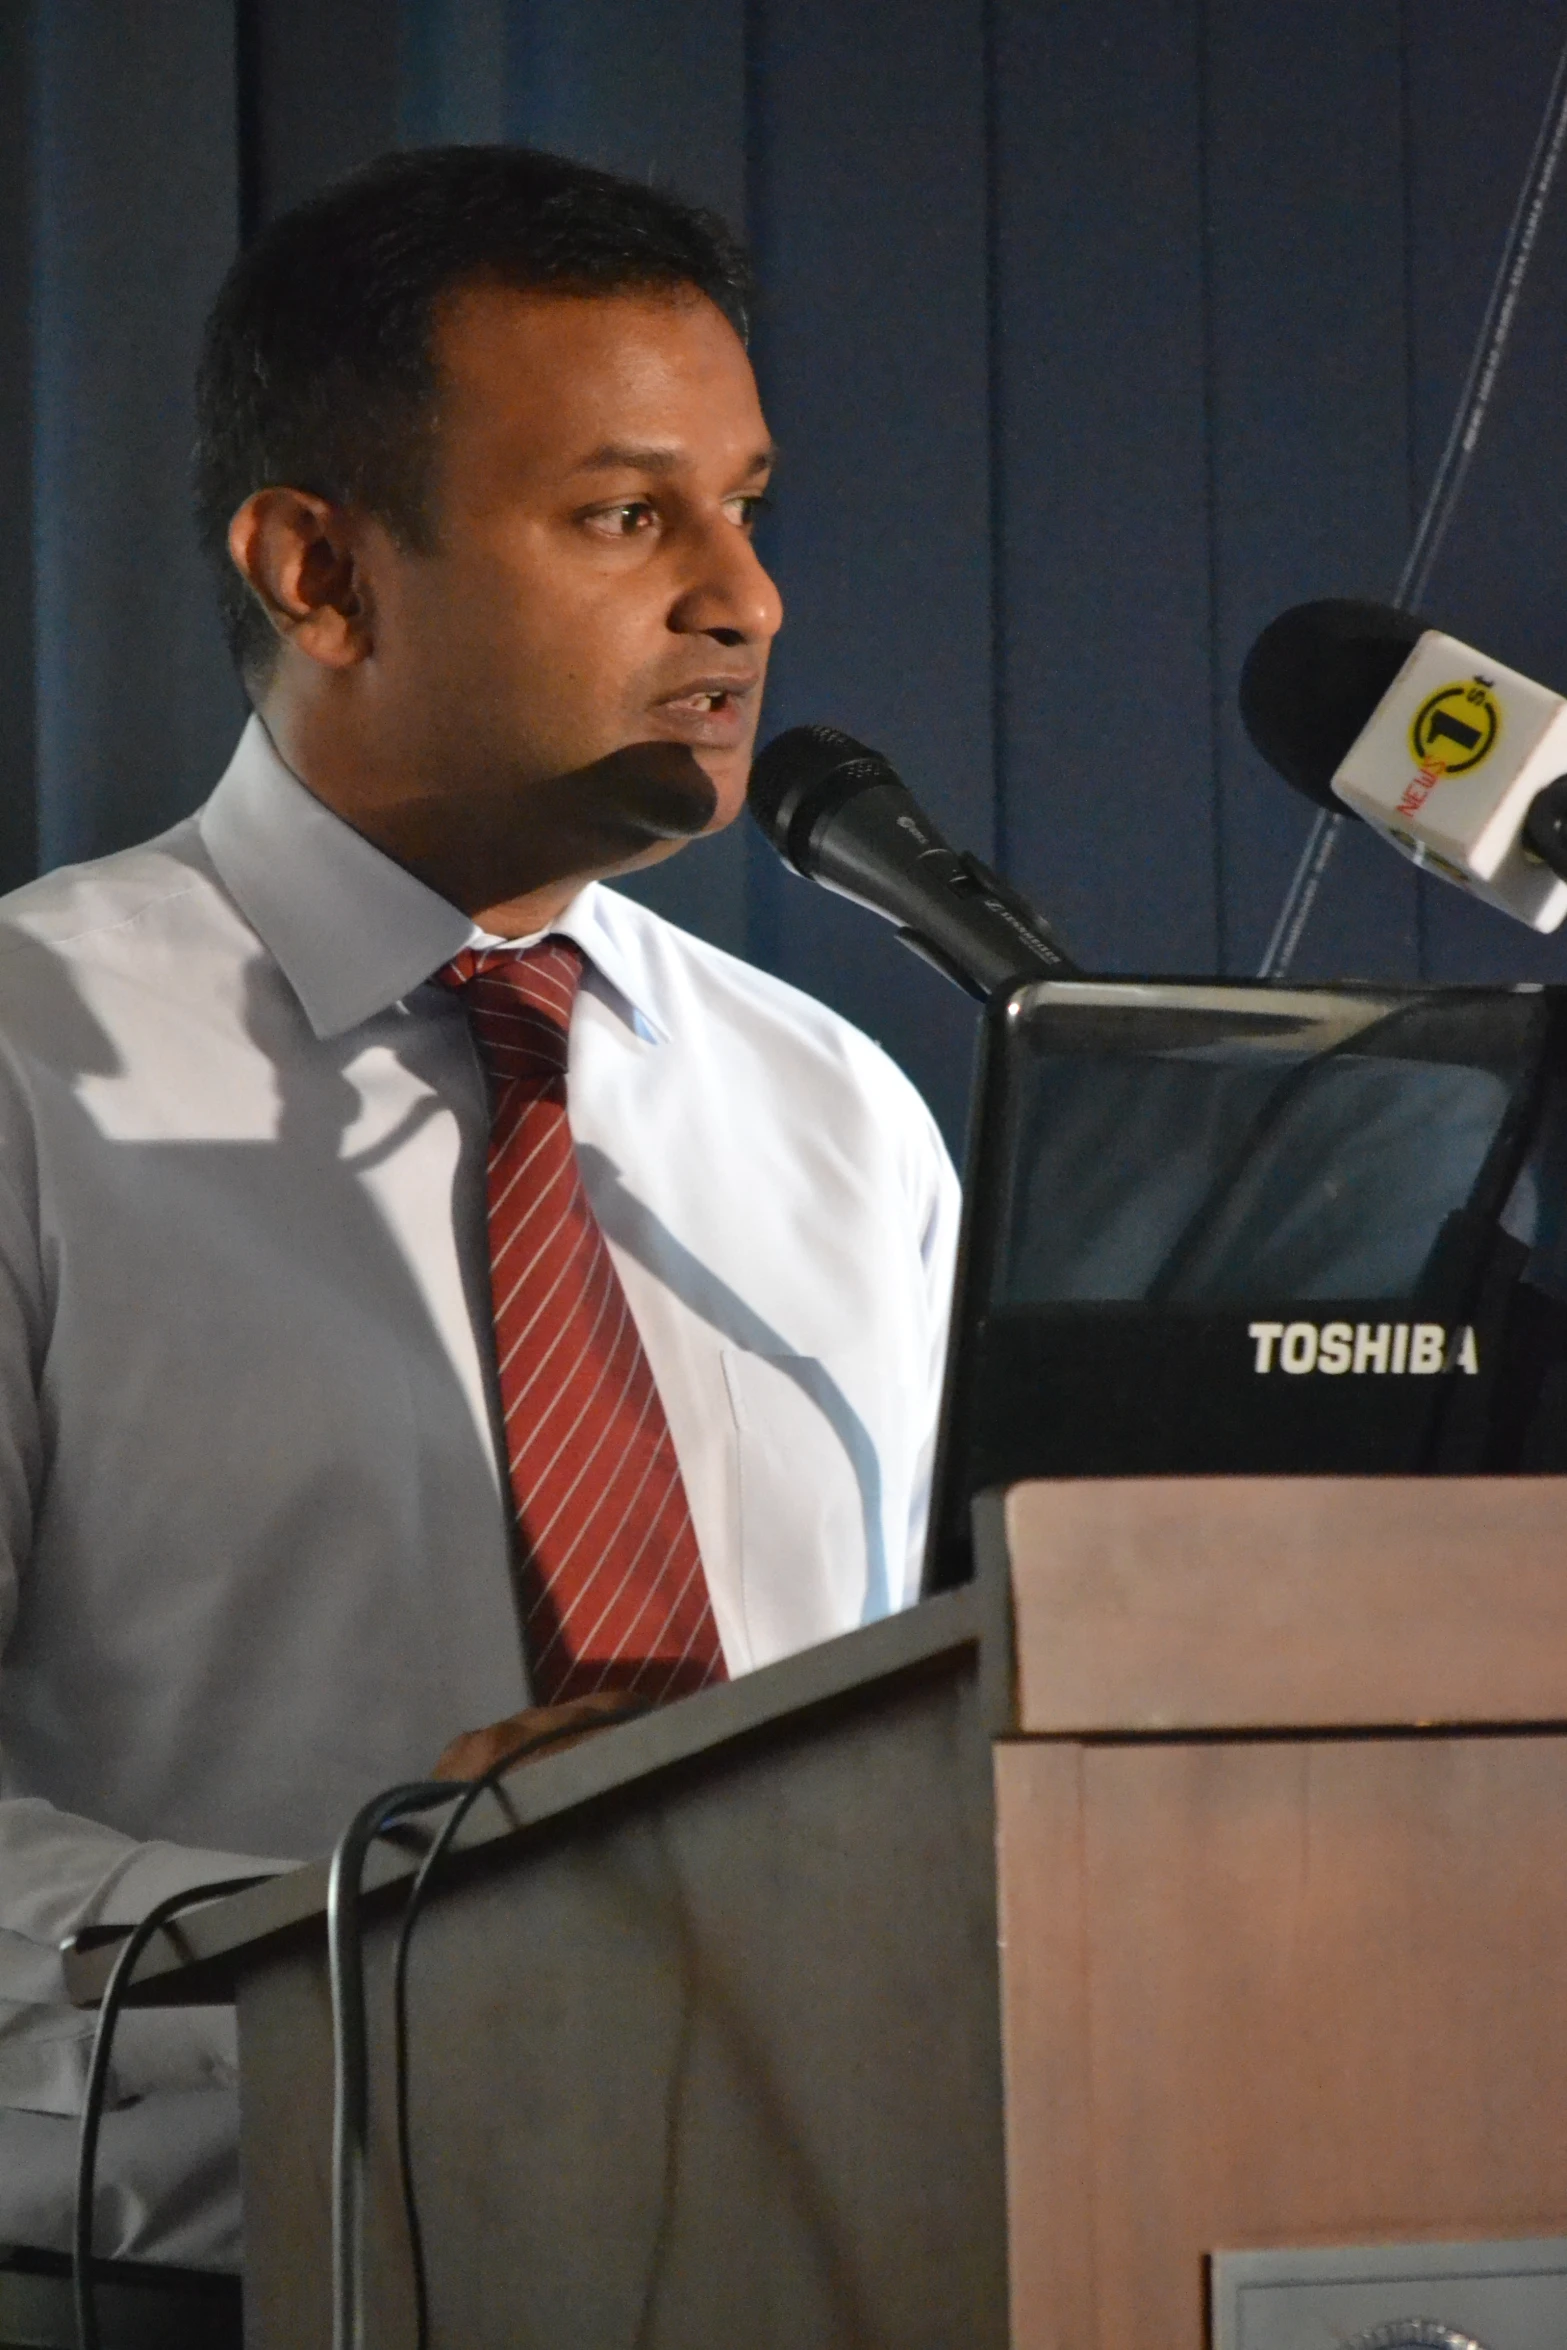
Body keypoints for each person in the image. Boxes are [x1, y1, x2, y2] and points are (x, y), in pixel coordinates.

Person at [0, 146, 959, 2297]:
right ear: (321, 570)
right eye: (629, 516)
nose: (748, 596)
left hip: (831, 2273)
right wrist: (396, 1912)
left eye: (748, 503)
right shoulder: (24, 1067)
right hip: (210, 2294)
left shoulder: (835, 1113)